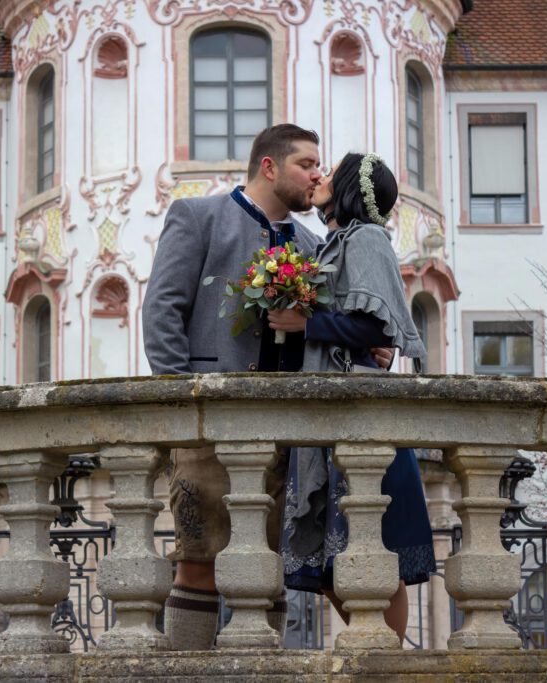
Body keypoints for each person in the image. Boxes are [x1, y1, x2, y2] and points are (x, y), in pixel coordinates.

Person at [142, 123, 325, 650]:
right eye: (306, 164)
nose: (317, 175)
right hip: (207, 427)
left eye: (317, 165)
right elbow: (162, 313)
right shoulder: (199, 217)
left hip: (287, 438)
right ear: (269, 166)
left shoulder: (312, 244)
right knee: (196, 564)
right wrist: (184, 404)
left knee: (268, 571)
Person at [267, 152, 436, 641]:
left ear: (349, 189)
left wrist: (307, 322)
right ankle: (385, 652)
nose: (320, 177)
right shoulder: (333, 244)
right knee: (329, 562)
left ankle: (388, 661)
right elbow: (363, 327)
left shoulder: (365, 239)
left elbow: (376, 324)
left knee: (376, 556)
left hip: (360, 417)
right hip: (328, 415)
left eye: (331, 172)